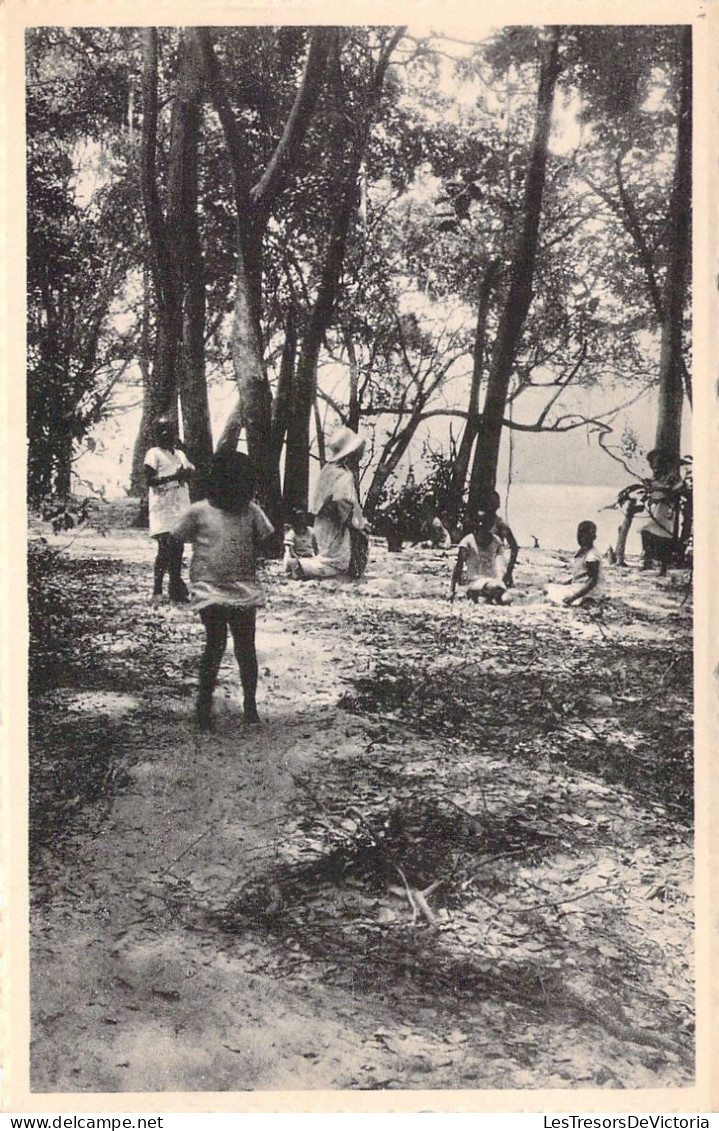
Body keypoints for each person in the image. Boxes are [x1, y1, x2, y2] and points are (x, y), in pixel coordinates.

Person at [171, 451, 274, 731]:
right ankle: (203, 706)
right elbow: (174, 539)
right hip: (209, 590)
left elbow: (266, 538)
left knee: (245, 648)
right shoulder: (198, 512)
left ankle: (250, 705)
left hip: (243, 589)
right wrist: (175, 579)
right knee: (215, 645)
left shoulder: (252, 511)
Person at [289, 427, 369, 580]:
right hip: (336, 524)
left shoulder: (328, 469)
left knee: (329, 557)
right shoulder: (343, 474)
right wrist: (356, 524)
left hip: (323, 523)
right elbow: (342, 502)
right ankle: (301, 566)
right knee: (337, 564)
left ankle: (303, 566)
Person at [144, 417, 195, 602]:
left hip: (179, 505)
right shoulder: (153, 453)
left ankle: (175, 587)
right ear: (156, 434)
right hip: (163, 506)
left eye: (169, 431)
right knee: (164, 548)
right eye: (162, 431)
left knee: (178, 548)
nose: (166, 435)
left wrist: (187, 473)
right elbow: (150, 480)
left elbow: (189, 471)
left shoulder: (180, 454)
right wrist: (174, 476)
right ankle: (157, 590)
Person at [450, 508, 511, 605]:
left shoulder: (496, 541)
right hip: (475, 581)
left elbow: (501, 563)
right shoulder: (467, 541)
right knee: (495, 587)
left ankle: (484, 598)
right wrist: (451, 589)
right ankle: (474, 594)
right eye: (479, 522)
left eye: (485, 522)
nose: (482, 525)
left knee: (506, 599)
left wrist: (501, 578)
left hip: (493, 581)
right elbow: (459, 566)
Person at [546, 520, 606, 607]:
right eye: (579, 536)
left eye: (585, 536)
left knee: (551, 595)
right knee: (548, 588)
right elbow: (581, 576)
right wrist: (567, 582)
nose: (581, 539)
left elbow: (592, 581)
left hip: (588, 593)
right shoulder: (583, 552)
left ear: (593, 537)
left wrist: (573, 597)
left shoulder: (592, 556)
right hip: (579, 588)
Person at [640, 449, 681, 576]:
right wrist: (648, 487)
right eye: (653, 463)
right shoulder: (655, 477)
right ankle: (649, 560)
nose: (655, 466)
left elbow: (675, 491)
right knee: (646, 531)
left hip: (667, 509)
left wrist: (656, 488)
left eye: (658, 463)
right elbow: (650, 492)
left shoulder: (673, 477)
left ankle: (662, 566)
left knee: (664, 537)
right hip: (656, 508)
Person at [483, 490, 519, 586]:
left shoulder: (500, 524)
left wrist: (509, 571)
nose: (489, 507)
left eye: (492, 504)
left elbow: (514, 547)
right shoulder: (479, 522)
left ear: (497, 506)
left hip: (496, 560)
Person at [283, 508, 318, 574]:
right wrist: (298, 558)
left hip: (309, 556)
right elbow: (290, 551)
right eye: (299, 520)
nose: (301, 522)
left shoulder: (311, 531)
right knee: (293, 562)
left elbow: (315, 546)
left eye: (303, 520)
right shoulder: (292, 533)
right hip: (297, 557)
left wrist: (315, 555)